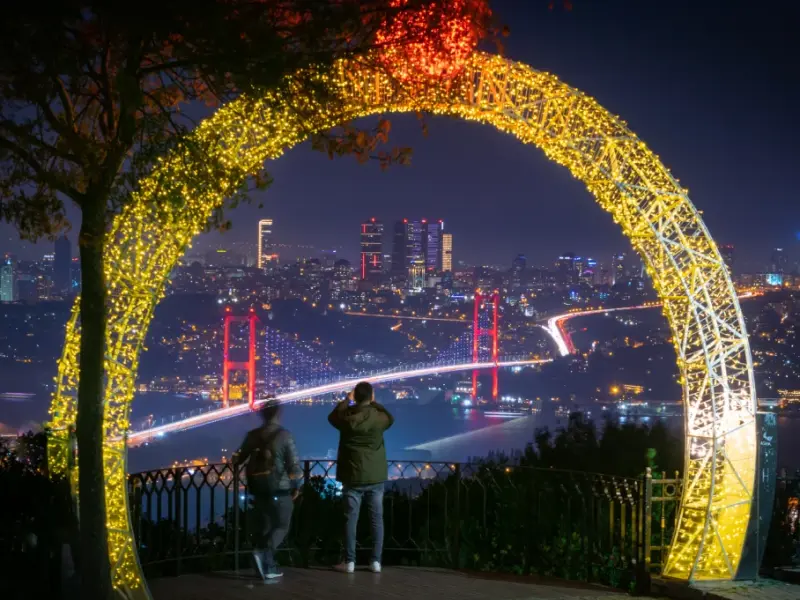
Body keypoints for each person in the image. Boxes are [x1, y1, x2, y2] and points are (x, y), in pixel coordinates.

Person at [328, 381, 394, 573]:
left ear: (355, 396)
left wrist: (346, 401)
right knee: (377, 520)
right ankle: (376, 562)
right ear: (371, 396)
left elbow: (332, 417)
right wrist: (375, 404)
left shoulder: (347, 417)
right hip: (375, 476)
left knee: (350, 519)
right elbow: (391, 418)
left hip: (352, 475)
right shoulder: (379, 418)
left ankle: (349, 562)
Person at [233, 401, 302, 581]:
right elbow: (294, 466)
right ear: (278, 413)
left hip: (258, 489)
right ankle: (264, 555)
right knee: (282, 526)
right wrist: (297, 486)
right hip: (280, 489)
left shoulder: (252, 435)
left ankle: (266, 567)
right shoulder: (285, 436)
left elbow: (237, 459)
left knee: (266, 527)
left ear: (262, 415)